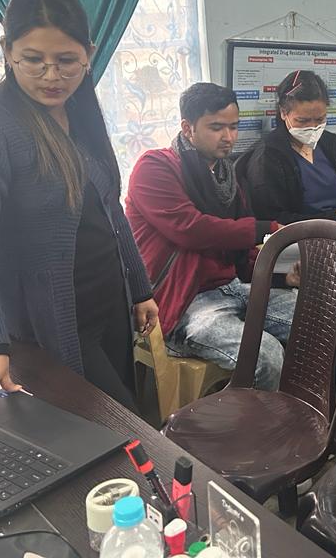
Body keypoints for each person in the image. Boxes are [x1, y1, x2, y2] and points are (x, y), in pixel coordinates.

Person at [0, 0, 158, 415]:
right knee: (118, 430)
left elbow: (109, 208)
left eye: (67, 61)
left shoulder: (80, 112)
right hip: (52, 324)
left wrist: (139, 287)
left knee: (128, 421)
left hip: (108, 308)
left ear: (89, 54)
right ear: (7, 51)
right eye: (34, 60)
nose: (52, 76)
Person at [125, 83, 297, 391]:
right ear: (187, 128)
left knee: (320, 319)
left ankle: (301, 407)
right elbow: (191, 229)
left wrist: (282, 274)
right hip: (184, 302)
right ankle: (262, 422)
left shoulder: (226, 177)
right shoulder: (154, 167)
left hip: (233, 288)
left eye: (234, 127)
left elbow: (241, 252)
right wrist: (265, 228)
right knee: (265, 355)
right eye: (216, 128)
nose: (228, 137)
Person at [238, 70, 336, 229]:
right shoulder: (269, 156)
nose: (313, 127)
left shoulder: (330, 143)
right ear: (284, 113)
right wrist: (333, 218)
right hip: (299, 236)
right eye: (303, 121)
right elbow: (272, 219)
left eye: (319, 119)